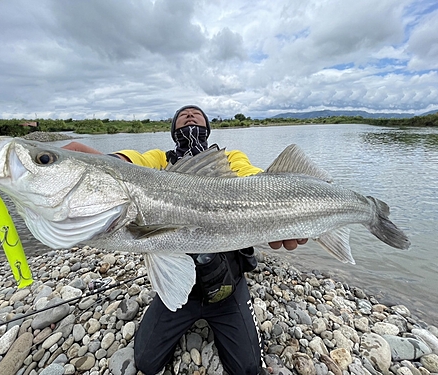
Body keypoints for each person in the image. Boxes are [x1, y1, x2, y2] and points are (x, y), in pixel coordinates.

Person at [63, 105, 307, 375]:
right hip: (184, 293)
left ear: (207, 125)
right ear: (173, 128)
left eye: (197, 113)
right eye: (182, 114)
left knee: (248, 369)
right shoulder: (160, 161)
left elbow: (250, 176)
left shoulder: (228, 158)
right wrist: (104, 163)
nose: (190, 115)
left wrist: (285, 202)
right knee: (146, 362)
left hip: (229, 287)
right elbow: (129, 163)